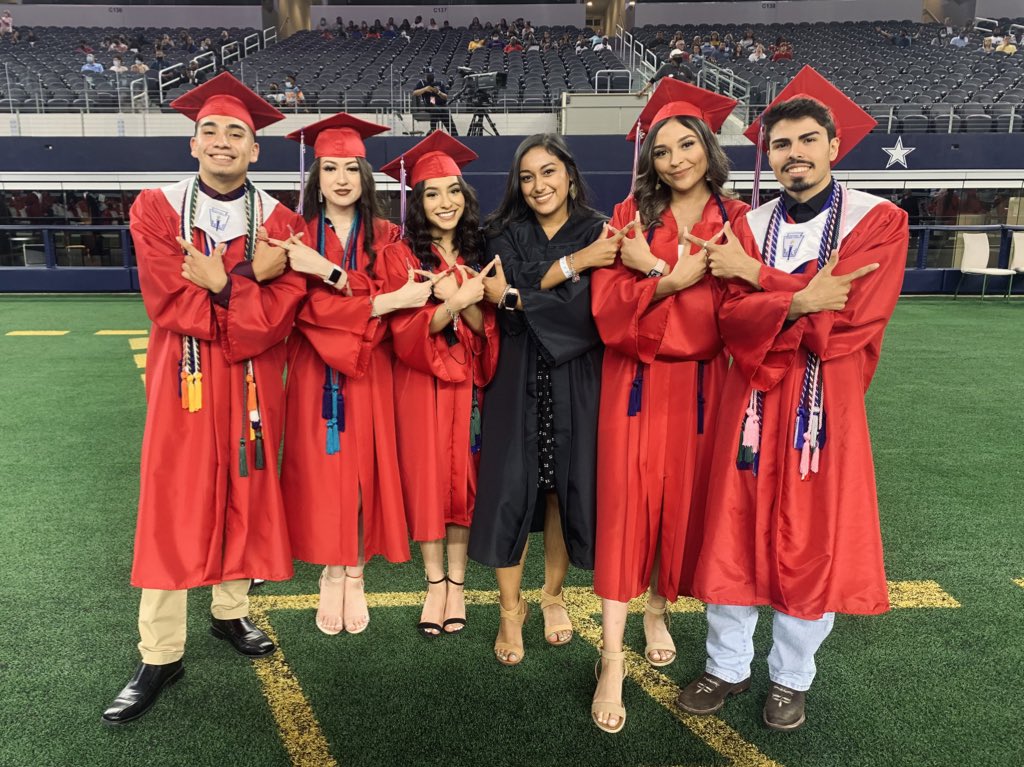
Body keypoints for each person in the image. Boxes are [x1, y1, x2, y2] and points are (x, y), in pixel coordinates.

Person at [677, 66, 909, 732]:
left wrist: (762, 284)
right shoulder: (749, 225)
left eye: (808, 139)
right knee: (733, 532)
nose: (795, 154)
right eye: (781, 144)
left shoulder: (877, 221)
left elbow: (849, 325)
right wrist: (799, 299)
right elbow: (731, 322)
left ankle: (790, 677)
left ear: (834, 143)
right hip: (750, 407)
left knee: (812, 540)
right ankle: (726, 664)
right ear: (768, 154)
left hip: (820, 414)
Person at [101, 73, 307, 725]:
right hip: (184, 385)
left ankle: (229, 612)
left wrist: (222, 284)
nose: (222, 141)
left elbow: (281, 317)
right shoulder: (156, 207)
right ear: (193, 144)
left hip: (250, 387)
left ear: (256, 150)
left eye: (236, 133)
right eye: (210, 131)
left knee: (243, 491)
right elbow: (168, 300)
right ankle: (160, 652)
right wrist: (241, 290)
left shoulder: (282, 221)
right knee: (171, 502)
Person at [589, 80, 754, 734]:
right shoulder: (629, 214)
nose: (676, 158)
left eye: (687, 144)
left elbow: (742, 313)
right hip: (633, 383)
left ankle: (658, 607)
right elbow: (606, 310)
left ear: (709, 149)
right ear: (649, 160)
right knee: (626, 513)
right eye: (662, 150)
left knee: (684, 512)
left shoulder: (738, 220)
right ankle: (609, 657)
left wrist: (658, 278)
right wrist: (672, 280)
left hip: (703, 388)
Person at [271, 115, 432, 635]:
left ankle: (356, 572)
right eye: (330, 168)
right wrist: (361, 289)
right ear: (315, 177)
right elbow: (303, 309)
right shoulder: (294, 235)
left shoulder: (386, 235)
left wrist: (348, 289)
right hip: (314, 369)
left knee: (362, 472)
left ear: (365, 177)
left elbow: (403, 304)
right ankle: (329, 572)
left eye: (351, 168)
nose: (341, 178)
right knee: (320, 473)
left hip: (369, 368)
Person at [468, 134, 610, 665]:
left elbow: (589, 309)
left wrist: (520, 295)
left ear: (569, 174)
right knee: (510, 487)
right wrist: (573, 267)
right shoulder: (502, 231)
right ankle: (511, 609)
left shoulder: (599, 229)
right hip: (515, 372)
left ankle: (551, 596)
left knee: (559, 489)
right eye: (527, 177)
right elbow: (501, 293)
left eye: (548, 172)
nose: (538, 186)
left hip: (576, 374)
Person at [378, 131, 500, 637]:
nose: (444, 202)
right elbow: (403, 330)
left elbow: (490, 328)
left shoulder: (485, 251)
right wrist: (449, 301)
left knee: (463, 483)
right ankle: (434, 585)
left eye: (452, 190)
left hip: (467, 387)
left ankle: (458, 584)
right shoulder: (400, 256)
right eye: (431, 193)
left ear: (464, 195)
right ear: (417, 201)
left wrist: (466, 299)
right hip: (419, 384)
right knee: (428, 480)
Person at [413, 68, 457, 135]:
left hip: (441, 104)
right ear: (425, 75)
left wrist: (438, 92)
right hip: (430, 103)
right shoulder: (422, 83)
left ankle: (455, 136)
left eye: (431, 74)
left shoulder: (440, 83)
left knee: (446, 113)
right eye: (428, 74)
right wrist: (425, 89)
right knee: (436, 109)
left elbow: (445, 97)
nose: (430, 76)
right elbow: (414, 93)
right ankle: (433, 130)